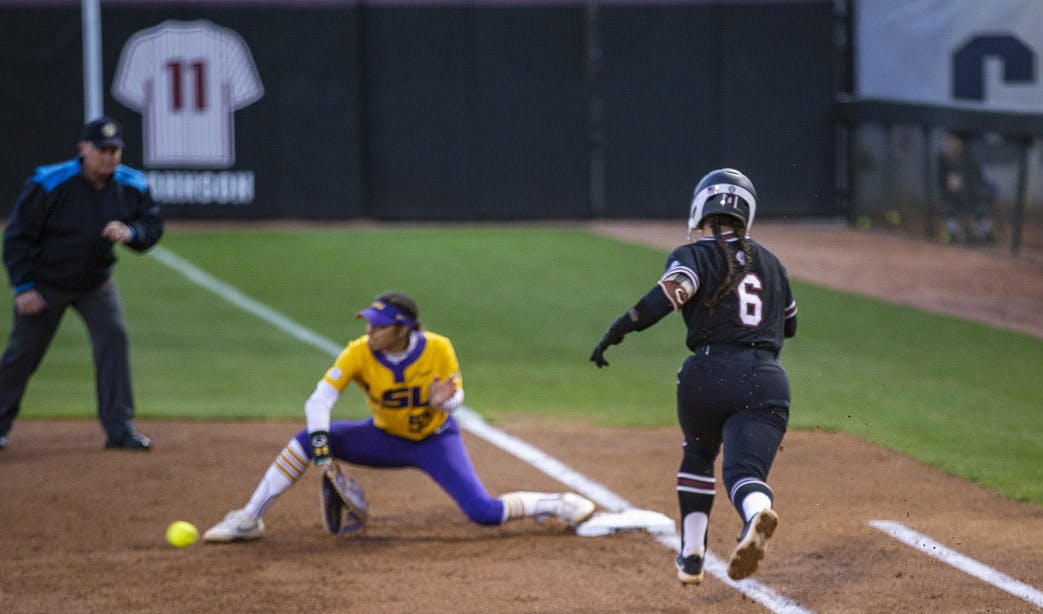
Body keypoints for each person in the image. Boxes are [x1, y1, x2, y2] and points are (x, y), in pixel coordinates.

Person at [204, 292, 596, 542]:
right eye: (369, 324)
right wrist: (322, 447)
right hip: (383, 439)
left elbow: (455, 398)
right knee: (307, 438)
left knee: (483, 513)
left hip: (434, 441)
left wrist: (444, 403)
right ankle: (248, 518)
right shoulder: (358, 352)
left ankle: (555, 503)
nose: (370, 331)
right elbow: (319, 401)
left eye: (378, 326)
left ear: (401, 328)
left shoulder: (438, 348)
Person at [589, 169, 797, 585]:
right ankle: (756, 513)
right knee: (744, 473)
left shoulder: (694, 255)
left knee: (699, 453)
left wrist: (621, 327)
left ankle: (692, 554)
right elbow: (789, 326)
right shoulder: (772, 264)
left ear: (701, 209)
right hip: (767, 379)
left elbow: (671, 295)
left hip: (707, 374)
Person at [1, 117, 163, 451]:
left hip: (95, 283)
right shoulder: (49, 183)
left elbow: (152, 224)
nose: (109, 156)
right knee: (22, 353)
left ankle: (119, 428)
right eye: (102, 150)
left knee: (113, 339)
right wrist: (24, 287)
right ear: (83, 149)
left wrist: (132, 233)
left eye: (115, 150)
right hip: (46, 283)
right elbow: (17, 237)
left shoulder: (132, 184)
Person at [937, 130, 994, 244]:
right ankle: (953, 232)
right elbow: (941, 181)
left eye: (952, 141)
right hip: (954, 195)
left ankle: (985, 233)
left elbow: (977, 179)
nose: (948, 144)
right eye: (947, 141)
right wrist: (950, 185)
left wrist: (961, 182)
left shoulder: (968, 156)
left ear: (959, 143)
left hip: (974, 192)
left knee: (979, 204)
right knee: (948, 202)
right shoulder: (942, 158)